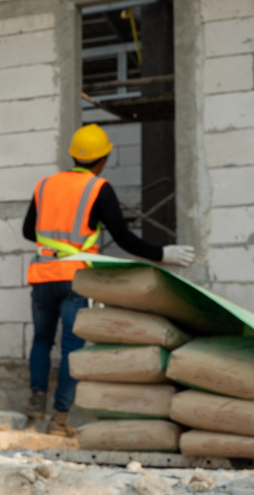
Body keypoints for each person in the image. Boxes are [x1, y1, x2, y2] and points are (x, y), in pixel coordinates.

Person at [22, 124, 194, 436]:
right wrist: (161, 253)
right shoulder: (98, 188)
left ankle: (36, 399)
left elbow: (27, 231)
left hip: (43, 275)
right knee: (72, 348)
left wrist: (56, 240)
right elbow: (124, 238)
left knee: (41, 340)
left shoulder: (45, 185)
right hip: (76, 279)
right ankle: (59, 420)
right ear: (103, 159)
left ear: (73, 155)